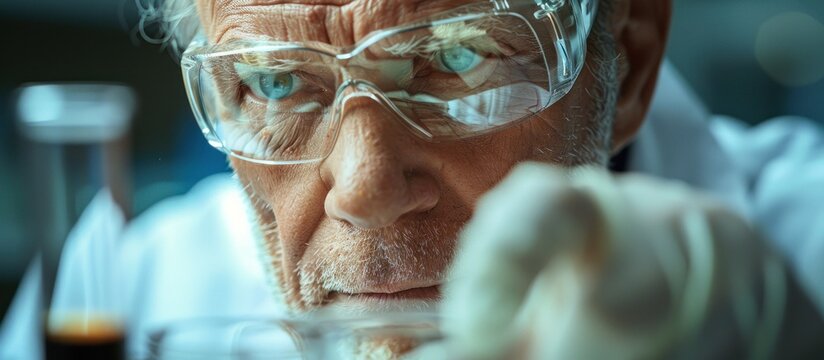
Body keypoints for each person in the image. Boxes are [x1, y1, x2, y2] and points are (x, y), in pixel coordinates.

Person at [2, 0, 823, 358]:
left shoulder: (798, 273)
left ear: (630, 58)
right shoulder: (141, 293)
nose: (362, 187)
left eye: (456, 57)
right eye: (276, 81)